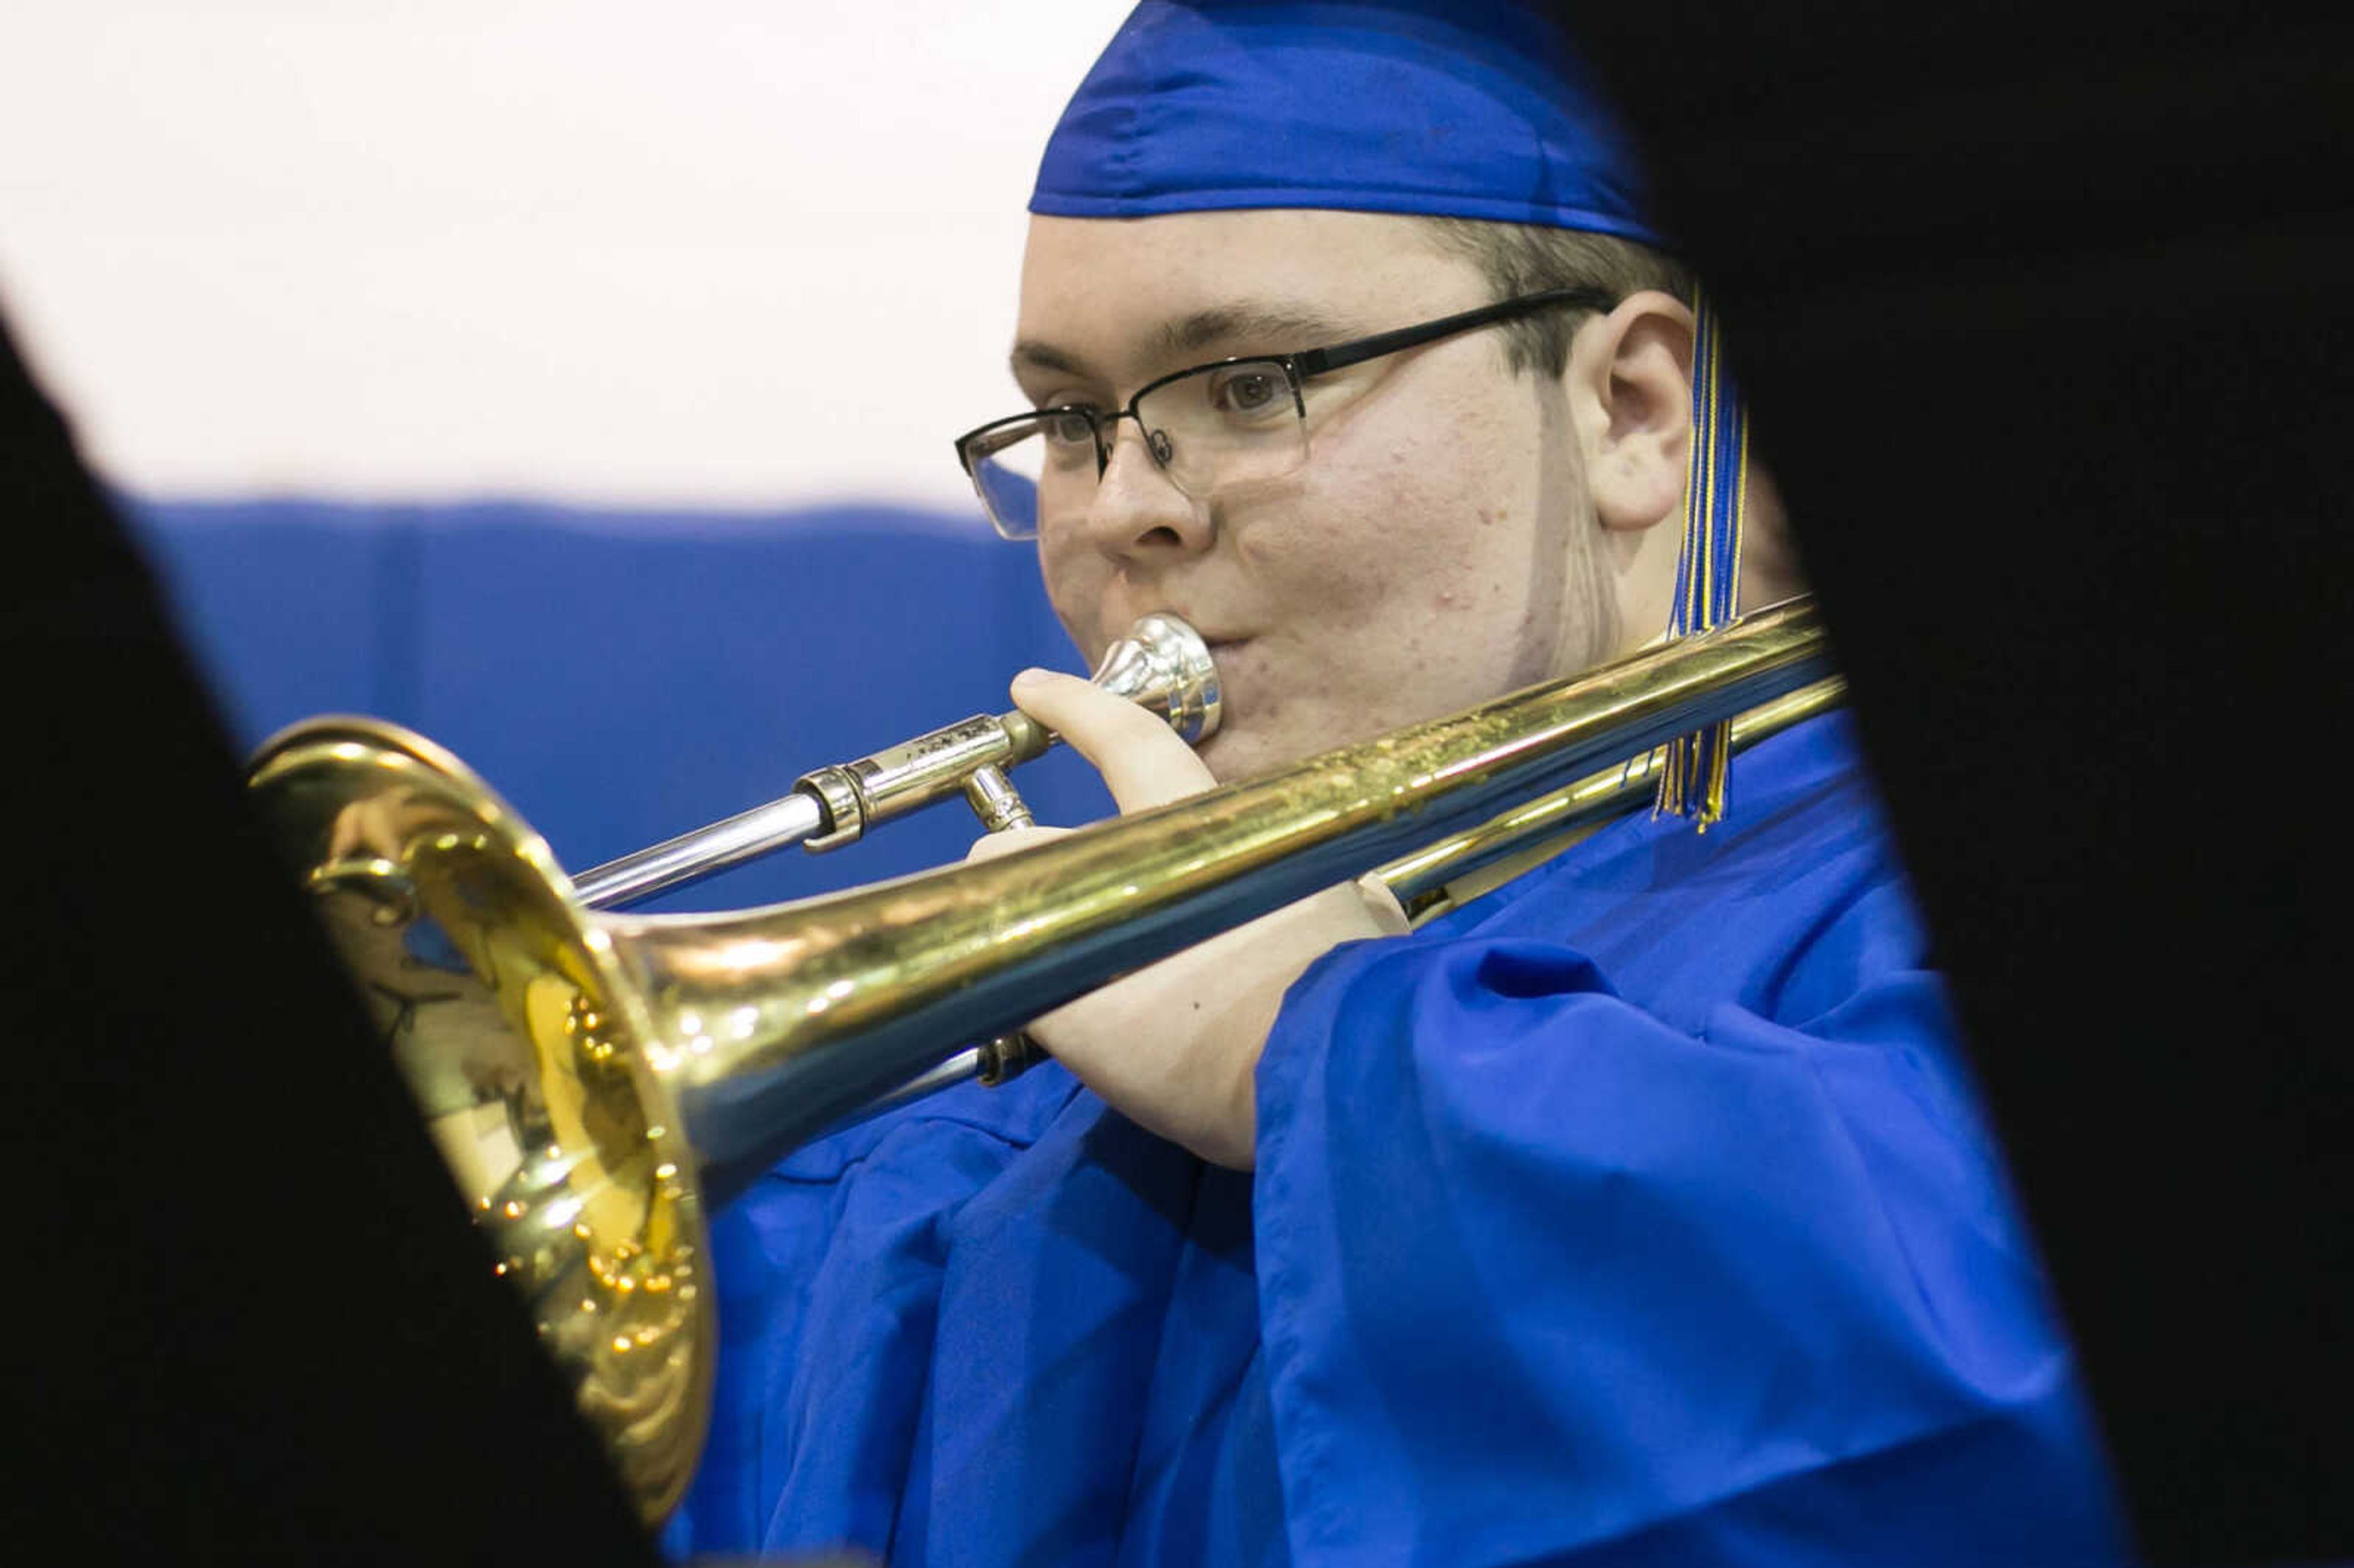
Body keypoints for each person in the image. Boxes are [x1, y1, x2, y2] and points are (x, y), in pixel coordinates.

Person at [667, 4, 2133, 1563]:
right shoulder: (1008, 1114)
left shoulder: (2001, 891)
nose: (1119, 512)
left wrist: (1311, 1050)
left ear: (1634, 409)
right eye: (1071, 422)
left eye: (1246, 386)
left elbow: (2031, 1385)